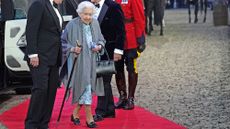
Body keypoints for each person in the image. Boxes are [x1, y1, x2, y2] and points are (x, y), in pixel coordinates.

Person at [61, 1, 105, 128]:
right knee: (85, 86)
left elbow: (102, 39)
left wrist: (99, 46)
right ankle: (89, 118)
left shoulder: (95, 23)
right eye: (85, 14)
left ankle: (75, 114)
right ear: (79, 13)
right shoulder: (72, 25)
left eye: (90, 14)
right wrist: (73, 49)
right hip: (78, 62)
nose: (88, 17)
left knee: (88, 87)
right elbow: (63, 42)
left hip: (92, 61)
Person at [24, 0, 63, 129]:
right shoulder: (39, 4)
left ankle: (43, 124)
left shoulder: (56, 8)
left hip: (53, 56)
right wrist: (32, 54)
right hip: (40, 57)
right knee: (40, 89)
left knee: (51, 91)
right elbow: (31, 29)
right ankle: (31, 124)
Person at [89, 0, 126, 122]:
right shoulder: (88, 6)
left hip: (109, 50)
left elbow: (121, 30)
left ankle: (101, 111)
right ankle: (109, 110)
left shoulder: (113, 6)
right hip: (93, 51)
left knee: (103, 81)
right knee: (103, 81)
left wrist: (119, 50)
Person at [114, 0, 146, 110]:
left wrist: (140, 38)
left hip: (130, 37)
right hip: (116, 36)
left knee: (131, 68)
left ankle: (131, 98)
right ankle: (122, 97)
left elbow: (139, 16)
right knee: (117, 68)